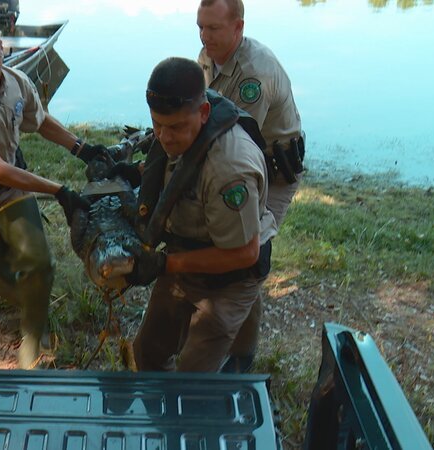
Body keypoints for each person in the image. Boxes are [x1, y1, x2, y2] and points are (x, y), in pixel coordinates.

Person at [0, 17, 107, 369]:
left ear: (3, 50)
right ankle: (30, 309)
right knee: (8, 283)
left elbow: (39, 120)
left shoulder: (16, 82)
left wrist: (82, 149)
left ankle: (33, 339)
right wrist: (59, 189)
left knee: (38, 263)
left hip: (11, 190)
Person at [111, 57, 277, 373]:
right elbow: (178, 171)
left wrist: (163, 264)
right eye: (157, 124)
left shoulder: (230, 169)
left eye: (175, 127)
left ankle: (233, 370)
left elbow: (245, 253)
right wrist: (136, 174)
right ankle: (162, 414)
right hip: (186, 252)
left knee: (194, 376)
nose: (164, 136)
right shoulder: (174, 129)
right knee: (147, 353)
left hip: (232, 275)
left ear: (204, 113)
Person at [196, 0, 304, 372]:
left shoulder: (254, 73)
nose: (204, 37)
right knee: (240, 250)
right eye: (200, 27)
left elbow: (233, 142)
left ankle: (242, 356)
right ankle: (233, 341)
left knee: (250, 251)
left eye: (213, 29)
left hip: (271, 172)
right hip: (245, 160)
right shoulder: (209, 55)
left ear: (238, 28)